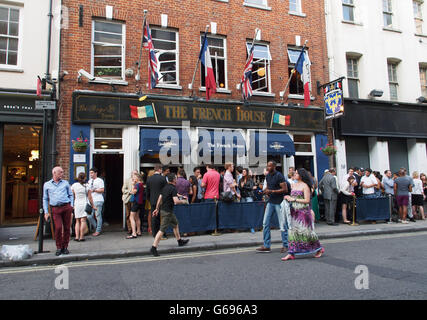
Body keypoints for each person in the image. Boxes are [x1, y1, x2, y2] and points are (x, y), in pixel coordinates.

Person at [282, 168, 324, 261]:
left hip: (303, 213)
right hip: (294, 212)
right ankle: (291, 253)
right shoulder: (294, 185)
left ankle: (319, 249)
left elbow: (307, 200)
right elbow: (292, 197)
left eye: (296, 173)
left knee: (307, 232)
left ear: (301, 175)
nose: (295, 174)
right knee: (293, 232)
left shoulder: (305, 186)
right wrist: (288, 197)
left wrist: (294, 199)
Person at [150, 173, 190, 257]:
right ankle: (153, 248)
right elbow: (175, 200)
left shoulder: (165, 188)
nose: (177, 179)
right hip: (167, 212)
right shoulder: (173, 188)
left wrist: (157, 209)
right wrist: (183, 201)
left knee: (175, 224)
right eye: (176, 178)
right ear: (174, 180)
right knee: (161, 230)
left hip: (165, 211)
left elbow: (160, 198)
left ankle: (179, 241)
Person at [256, 161, 289, 253]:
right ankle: (267, 245)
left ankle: (285, 245)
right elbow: (268, 188)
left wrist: (272, 191)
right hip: (270, 202)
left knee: (282, 224)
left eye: (270, 166)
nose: (268, 167)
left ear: (274, 166)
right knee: (265, 223)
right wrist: (264, 191)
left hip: (279, 202)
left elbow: (285, 189)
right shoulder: (267, 176)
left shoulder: (279, 176)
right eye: (267, 165)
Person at [43, 166, 74, 256]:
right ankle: (59, 247)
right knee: (58, 228)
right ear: (54, 173)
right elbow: (45, 199)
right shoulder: (47, 184)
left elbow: (71, 195)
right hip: (55, 208)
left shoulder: (65, 183)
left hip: (66, 207)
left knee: (67, 228)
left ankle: (65, 247)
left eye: (62, 172)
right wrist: (46, 212)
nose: (62, 174)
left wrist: (71, 206)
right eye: (60, 172)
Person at [146, 164, 167, 237]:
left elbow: (147, 191)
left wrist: (149, 199)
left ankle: (155, 233)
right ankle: (162, 233)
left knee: (154, 217)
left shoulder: (149, 179)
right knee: (162, 217)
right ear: (160, 169)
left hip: (152, 201)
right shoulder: (163, 178)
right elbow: (165, 190)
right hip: (161, 201)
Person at [71, 172, 93, 242]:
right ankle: (82, 236)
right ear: (85, 178)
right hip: (84, 203)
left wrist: (73, 204)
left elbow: (72, 196)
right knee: (83, 221)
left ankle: (76, 237)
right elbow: (90, 197)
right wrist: (93, 205)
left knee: (77, 221)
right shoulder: (87, 186)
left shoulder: (74, 185)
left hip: (77, 204)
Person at [86, 167, 104, 236]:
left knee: (98, 215)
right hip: (90, 200)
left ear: (96, 173)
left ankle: (98, 230)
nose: (91, 174)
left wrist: (94, 190)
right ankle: (96, 227)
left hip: (98, 200)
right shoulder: (89, 181)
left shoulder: (99, 180)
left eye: (92, 173)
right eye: (90, 173)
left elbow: (102, 190)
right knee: (89, 216)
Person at [126, 173, 144, 239]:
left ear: (137, 178)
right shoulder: (141, 184)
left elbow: (134, 192)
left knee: (131, 217)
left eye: (134, 177)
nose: (133, 178)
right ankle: (138, 231)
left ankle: (134, 233)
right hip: (140, 202)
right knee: (137, 217)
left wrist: (133, 186)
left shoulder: (137, 184)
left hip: (136, 202)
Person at [122, 170, 138, 235]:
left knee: (135, 215)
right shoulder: (127, 180)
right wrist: (129, 191)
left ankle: (135, 229)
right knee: (128, 214)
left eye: (136, 174)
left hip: (135, 199)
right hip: (128, 199)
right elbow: (123, 189)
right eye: (134, 173)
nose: (135, 175)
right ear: (131, 174)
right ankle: (130, 229)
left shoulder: (138, 181)